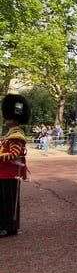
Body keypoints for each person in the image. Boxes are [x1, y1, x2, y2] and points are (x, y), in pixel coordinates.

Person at [0, 94, 31, 238]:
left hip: (10, 172)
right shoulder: (10, 134)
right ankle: (4, 224)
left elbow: (13, 154)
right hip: (4, 172)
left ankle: (10, 227)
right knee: (3, 201)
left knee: (9, 202)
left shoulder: (17, 134)